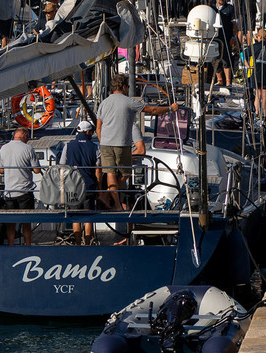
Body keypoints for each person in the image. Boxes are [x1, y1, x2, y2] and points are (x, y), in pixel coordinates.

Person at [94, 75, 177, 211]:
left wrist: (103, 141)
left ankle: (114, 204)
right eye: (128, 87)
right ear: (124, 87)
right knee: (126, 173)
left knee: (110, 174)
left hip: (105, 144)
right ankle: (110, 197)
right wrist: (170, 109)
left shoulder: (104, 103)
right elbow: (153, 110)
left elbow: (98, 127)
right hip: (122, 144)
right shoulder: (129, 102)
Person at [58, 120, 100, 244]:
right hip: (89, 186)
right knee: (88, 217)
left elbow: (62, 166)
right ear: (87, 132)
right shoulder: (95, 147)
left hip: (72, 186)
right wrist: (99, 187)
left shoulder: (68, 146)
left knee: (75, 216)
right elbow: (98, 170)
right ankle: (87, 243)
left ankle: (77, 243)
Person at [0, 126, 39, 246]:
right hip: (24, 191)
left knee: (11, 222)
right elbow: (36, 170)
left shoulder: (4, 148)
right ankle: (28, 245)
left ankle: (11, 245)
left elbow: (1, 170)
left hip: (9, 192)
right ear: (25, 135)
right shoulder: (28, 148)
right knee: (26, 222)